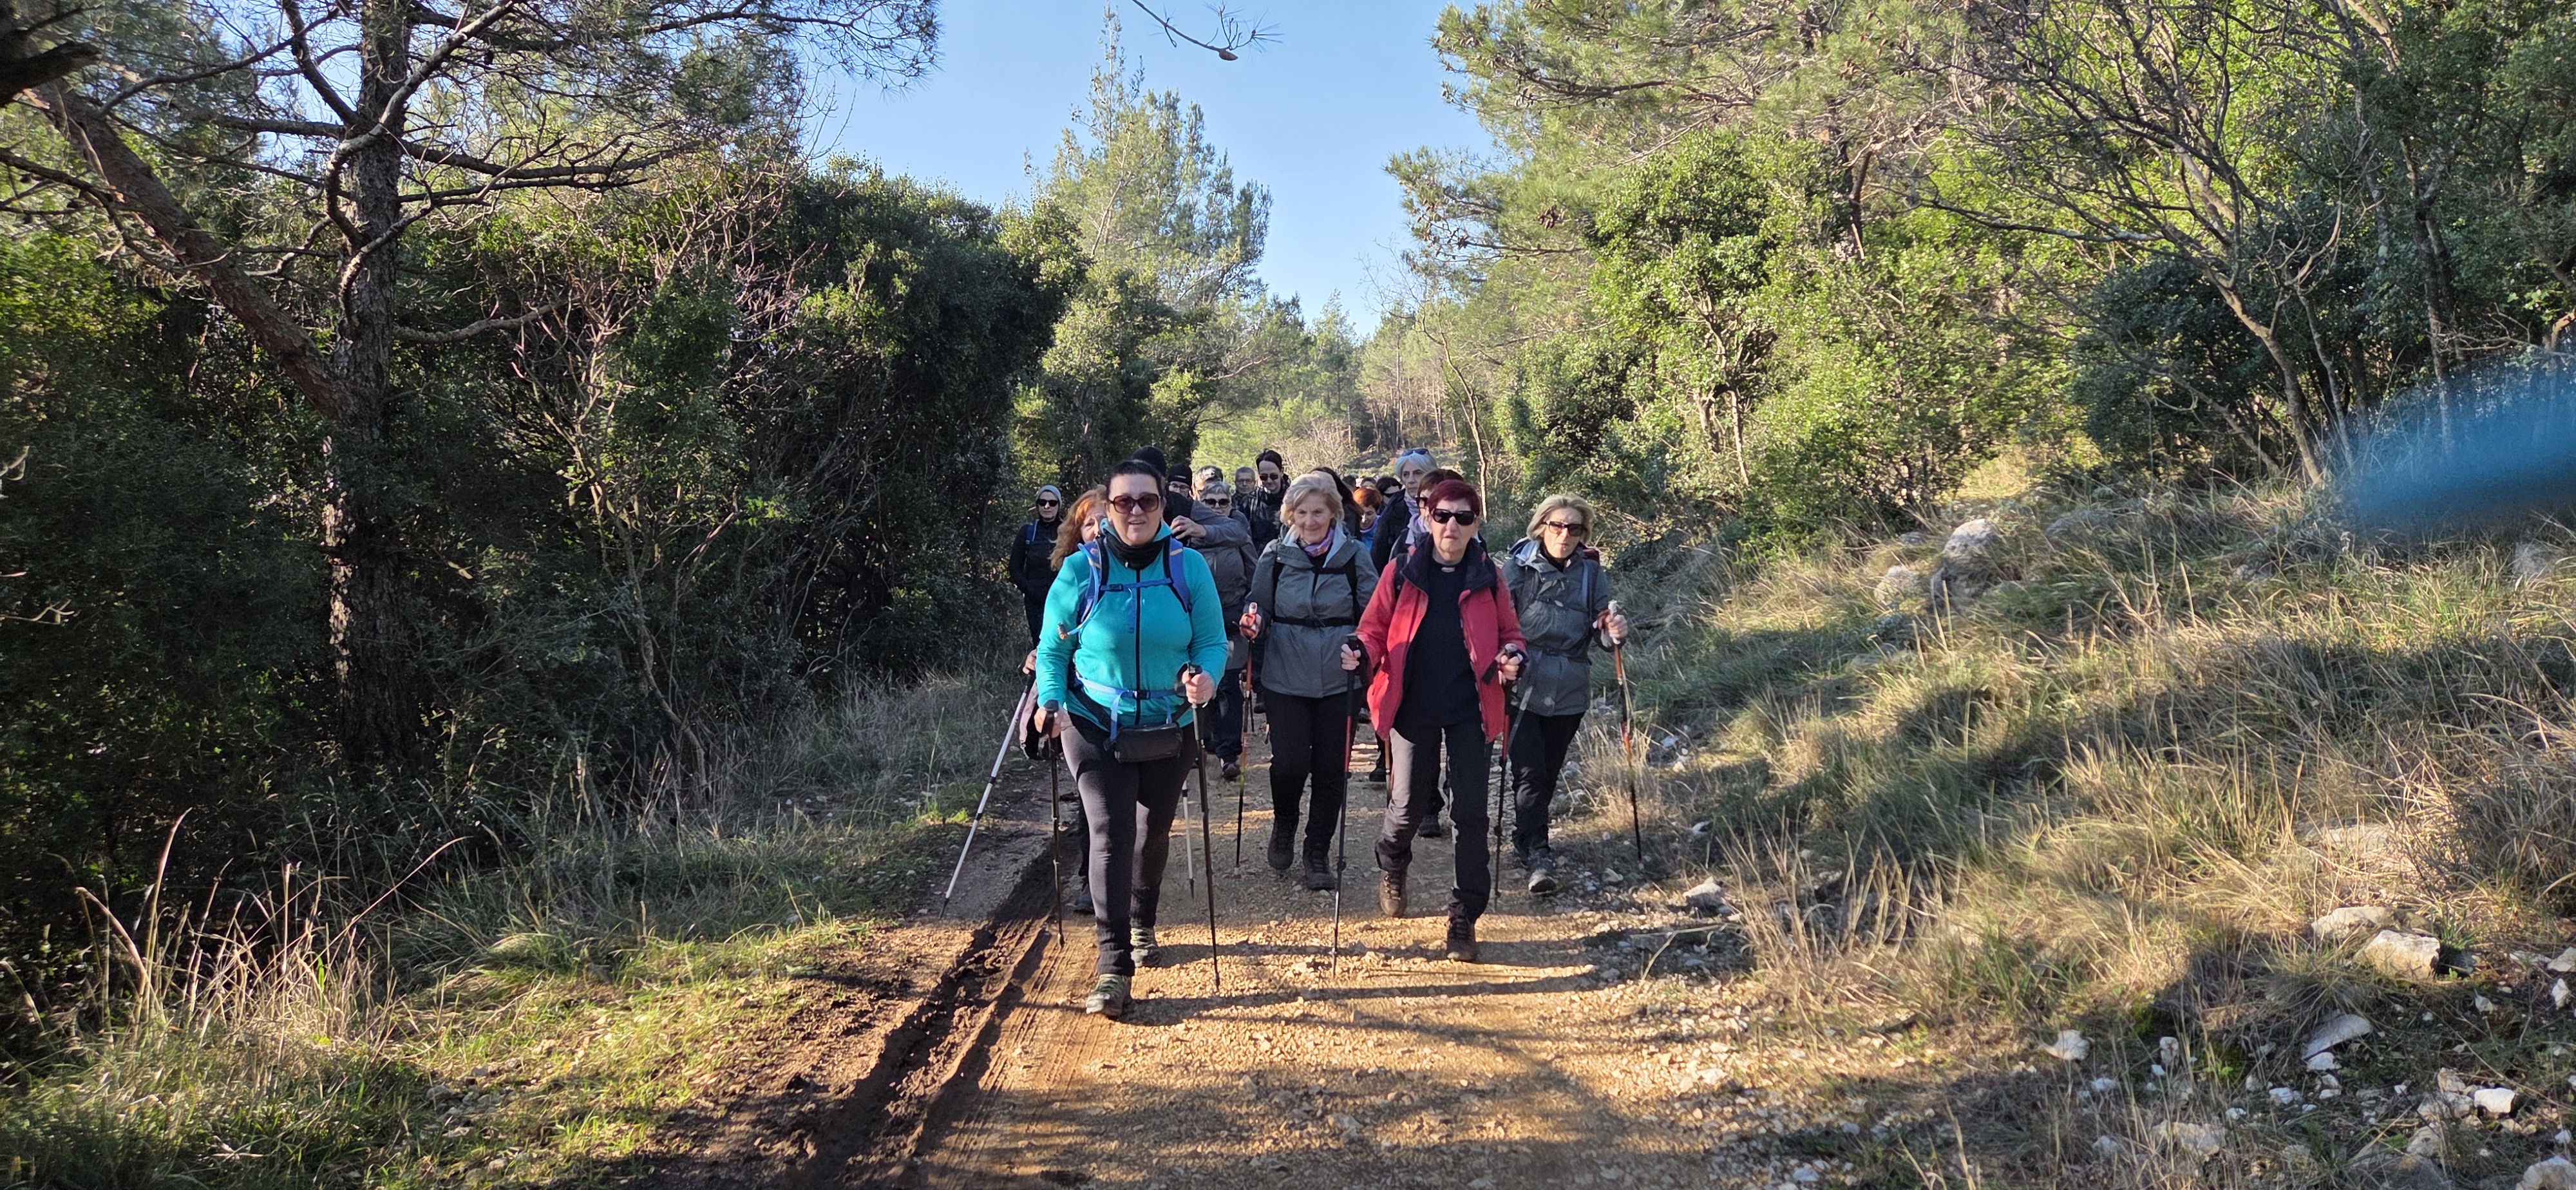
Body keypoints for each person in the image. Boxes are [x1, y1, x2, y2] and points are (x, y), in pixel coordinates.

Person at [1032, 462, 1227, 1019]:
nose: (1135, 510)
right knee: (1109, 831)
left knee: (1151, 831)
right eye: (1123, 502)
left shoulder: (1188, 568)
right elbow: (1053, 651)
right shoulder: (1080, 569)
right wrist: (1052, 701)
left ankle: (1143, 922)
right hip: (1093, 720)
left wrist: (1207, 678)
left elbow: (1213, 642)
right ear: (1110, 507)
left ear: (1164, 506)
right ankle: (1113, 965)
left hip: (1170, 721)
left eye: (1147, 501)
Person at [1356, 478, 1525, 963]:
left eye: (1463, 517)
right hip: (1412, 705)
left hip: (1472, 707)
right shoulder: (1402, 570)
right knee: (1408, 805)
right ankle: (1392, 862)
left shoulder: (1489, 576)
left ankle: (1464, 915)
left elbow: (1512, 634)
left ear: (1476, 523)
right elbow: (1373, 630)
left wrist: (1513, 655)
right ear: (1427, 517)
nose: (1452, 525)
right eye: (1443, 515)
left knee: (1470, 814)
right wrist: (1359, 651)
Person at [1238, 475, 1375, 889]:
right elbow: (1259, 605)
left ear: (1333, 512)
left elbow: (1373, 615)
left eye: (1318, 512)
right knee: (1290, 763)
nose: (1311, 520)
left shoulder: (1354, 556)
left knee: (1332, 769)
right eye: (1302, 512)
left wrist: (1363, 647)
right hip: (1285, 673)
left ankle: (1317, 852)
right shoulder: (1275, 556)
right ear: (1290, 515)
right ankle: (1285, 823)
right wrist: (1253, 622)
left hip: (1340, 676)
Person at [1499, 495, 1631, 894]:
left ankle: (1525, 836)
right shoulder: (1517, 569)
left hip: (1570, 687)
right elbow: (1500, 624)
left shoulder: (1591, 572)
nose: (1565, 535)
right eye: (1557, 526)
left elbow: (1601, 626)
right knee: (1530, 772)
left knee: (1549, 772)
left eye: (1574, 528)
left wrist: (1614, 631)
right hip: (1523, 685)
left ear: (1582, 534)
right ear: (1541, 527)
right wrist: (1502, 660)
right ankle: (1539, 854)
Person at [1045, 487, 1109, 915]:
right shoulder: (1071, 574)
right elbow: (1054, 637)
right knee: (1093, 801)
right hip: (1080, 703)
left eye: (1105, 520)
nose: (1099, 530)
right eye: (1090, 523)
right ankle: (1090, 879)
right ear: (1077, 532)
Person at [1192, 478, 1258, 780]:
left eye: (1223, 502)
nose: (1217, 508)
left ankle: (1228, 754)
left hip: (1231, 619)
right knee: (1200, 683)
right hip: (1197, 622)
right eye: (1211, 502)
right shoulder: (1188, 537)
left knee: (1229, 685)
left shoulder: (1239, 536)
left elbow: (1255, 578)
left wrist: (1249, 612)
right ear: (1200, 503)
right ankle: (1203, 741)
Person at [1010, 486, 1065, 645]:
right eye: (1042, 502)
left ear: (1059, 506)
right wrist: (1029, 589)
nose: (1047, 506)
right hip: (1035, 602)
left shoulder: (1068, 532)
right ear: (1037, 505)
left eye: (1052, 503)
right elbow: (1014, 567)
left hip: (1063, 600)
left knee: (1064, 643)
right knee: (1040, 644)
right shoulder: (1027, 532)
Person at [1370, 449, 1435, 573]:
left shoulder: (1448, 505)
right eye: (1406, 475)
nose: (1411, 480)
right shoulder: (1393, 511)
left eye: (1417, 473)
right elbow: (1378, 558)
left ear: (1431, 475)